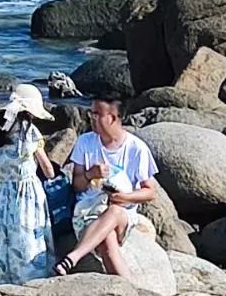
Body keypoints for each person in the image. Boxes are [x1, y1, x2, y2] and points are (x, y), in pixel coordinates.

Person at [54, 95, 158, 277]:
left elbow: (149, 192)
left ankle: (74, 256)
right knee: (107, 241)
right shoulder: (85, 142)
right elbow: (77, 186)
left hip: (122, 214)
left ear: (112, 117)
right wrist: (89, 174)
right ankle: (130, 288)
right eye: (91, 113)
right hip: (88, 210)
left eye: (96, 114)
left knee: (115, 211)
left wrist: (125, 197)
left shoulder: (136, 148)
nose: (91, 117)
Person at [0, 83, 58, 285]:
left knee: (3, 240)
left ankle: (3, 283)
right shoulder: (29, 132)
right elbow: (48, 170)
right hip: (28, 191)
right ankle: (31, 282)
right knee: (28, 237)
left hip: (4, 192)